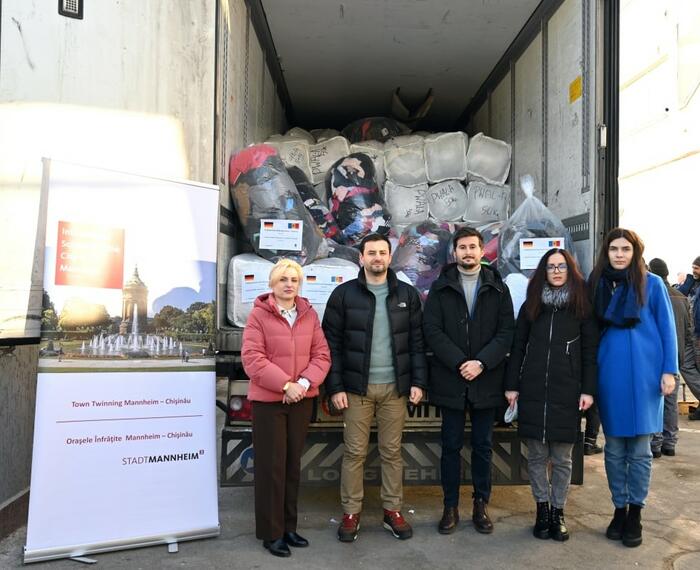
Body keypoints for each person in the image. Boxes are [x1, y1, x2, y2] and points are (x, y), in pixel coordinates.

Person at [323, 233, 427, 542]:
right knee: (354, 453)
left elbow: (417, 343)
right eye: (371, 253)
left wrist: (418, 381)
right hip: (356, 389)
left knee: (391, 452)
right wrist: (335, 387)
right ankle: (351, 513)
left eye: (382, 252)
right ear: (361, 258)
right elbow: (331, 345)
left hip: (395, 389)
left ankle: (392, 511)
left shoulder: (407, 295)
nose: (377, 257)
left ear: (390, 257)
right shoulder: (343, 295)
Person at [423, 227, 514, 535]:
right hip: (451, 378)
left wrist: (481, 363)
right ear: (454, 252)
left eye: (473, 247)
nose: (468, 252)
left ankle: (480, 505)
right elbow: (432, 330)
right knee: (450, 445)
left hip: (486, 379)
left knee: (483, 446)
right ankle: (450, 506)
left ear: (482, 251)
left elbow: (506, 332)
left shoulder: (498, 287)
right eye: (462, 247)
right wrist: (460, 362)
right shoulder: (440, 287)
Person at [590, 228, 677, 548]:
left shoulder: (651, 284)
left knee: (640, 450)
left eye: (625, 249)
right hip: (610, 375)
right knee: (614, 449)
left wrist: (669, 370)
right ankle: (619, 508)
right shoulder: (598, 283)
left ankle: (636, 512)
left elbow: (668, 329)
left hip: (646, 377)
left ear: (635, 252)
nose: (619, 254)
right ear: (606, 252)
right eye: (614, 249)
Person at [504, 248, 598, 541]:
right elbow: (517, 346)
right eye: (551, 267)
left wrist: (588, 390)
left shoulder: (581, 307)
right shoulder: (532, 306)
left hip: (567, 391)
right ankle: (542, 509)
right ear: (543, 272)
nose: (556, 271)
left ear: (570, 271)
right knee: (536, 456)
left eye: (561, 266)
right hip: (533, 389)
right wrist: (512, 385)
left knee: (562, 459)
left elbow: (590, 353)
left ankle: (558, 512)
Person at [241, 259, 331, 557]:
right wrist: (285, 385)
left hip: (301, 399)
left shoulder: (308, 314)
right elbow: (253, 359)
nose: (289, 284)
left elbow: (322, 355)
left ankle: (289, 528)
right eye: (283, 279)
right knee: (271, 468)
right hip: (270, 403)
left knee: (292, 465)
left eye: (294, 280)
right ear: (272, 283)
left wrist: (303, 384)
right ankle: (271, 533)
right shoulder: (258, 315)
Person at [649, 258, 699, 452]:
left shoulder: (652, 294)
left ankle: (655, 443)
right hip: (676, 356)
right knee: (670, 402)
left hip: (655, 356)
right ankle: (670, 443)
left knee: (655, 400)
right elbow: (689, 329)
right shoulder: (681, 297)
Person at [676, 255, 700, 420]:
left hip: (698, 335)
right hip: (691, 334)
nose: (693, 271)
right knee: (685, 365)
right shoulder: (693, 285)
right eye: (693, 268)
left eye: (696, 268)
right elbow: (678, 295)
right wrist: (688, 283)